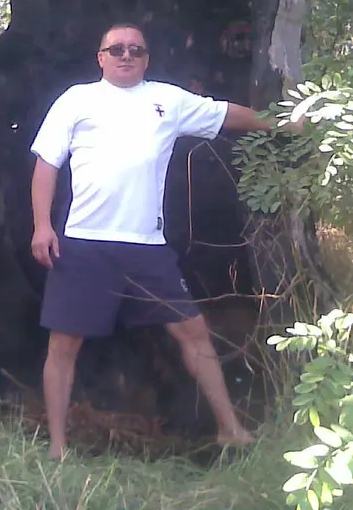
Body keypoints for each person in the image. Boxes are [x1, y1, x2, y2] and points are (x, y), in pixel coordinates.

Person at [30, 23, 301, 459]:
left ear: (146, 59)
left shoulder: (167, 100)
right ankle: (58, 447)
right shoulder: (76, 100)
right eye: (116, 49)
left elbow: (224, 114)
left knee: (193, 332)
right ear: (101, 57)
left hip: (147, 247)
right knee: (63, 344)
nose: (126, 55)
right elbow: (47, 164)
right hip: (84, 243)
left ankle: (231, 430)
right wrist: (42, 225)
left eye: (135, 50)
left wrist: (283, 123)